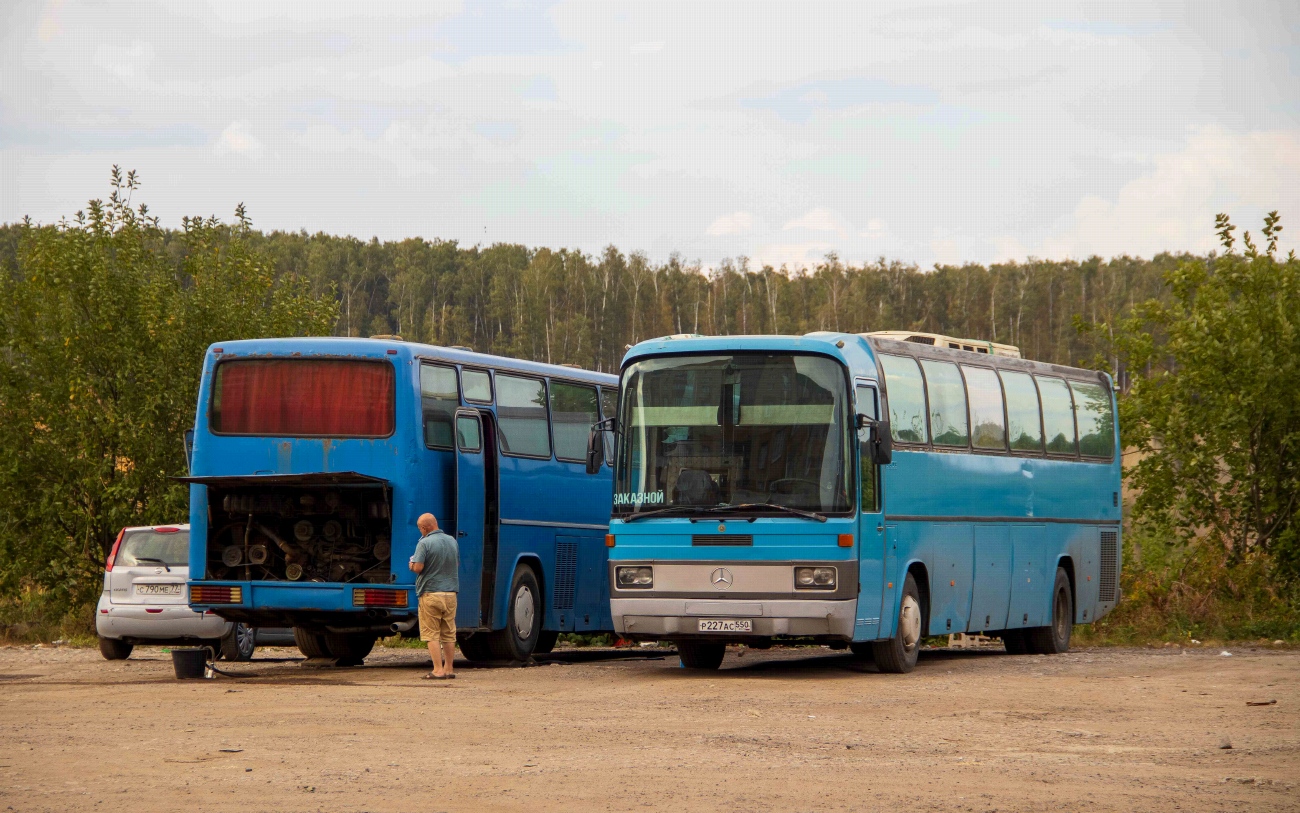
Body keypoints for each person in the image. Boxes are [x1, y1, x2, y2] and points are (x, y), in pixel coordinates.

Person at [409, 512, 459, 679]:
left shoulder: (424, 543)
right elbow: (456, 563)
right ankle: (449, 668)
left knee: (431, 633)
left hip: (431, 594)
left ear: (424, 528)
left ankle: (437, 670)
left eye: (420, 528)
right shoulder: (452, 541)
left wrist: (411, 563)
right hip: (450, 594)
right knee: (449, 633)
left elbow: (418, 568)